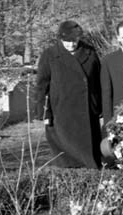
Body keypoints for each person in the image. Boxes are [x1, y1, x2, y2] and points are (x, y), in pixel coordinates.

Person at [35, 20, 102, 169]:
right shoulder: (50, 55)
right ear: (60, 39)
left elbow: (98, 81)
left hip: (87, 111)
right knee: (66, 157)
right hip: (60, 112)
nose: (72, 44)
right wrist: (45, 113)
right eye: (68, 41)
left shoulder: (90, 52)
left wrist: (98, 106)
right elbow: (42, 86)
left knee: (90, 155)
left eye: (75, 40)